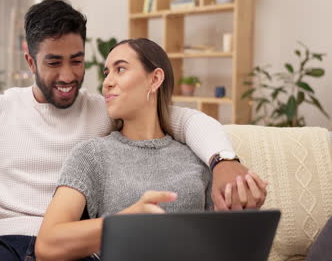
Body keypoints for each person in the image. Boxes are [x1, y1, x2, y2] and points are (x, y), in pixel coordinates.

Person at [0, 0, 266, 261]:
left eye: (77, 61)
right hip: (3, 246)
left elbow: (179, 119)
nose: (68, 76)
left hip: (77, 250)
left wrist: (223, 160)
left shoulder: (103, 109)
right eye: (54, 62)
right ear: (30, 60)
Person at [35, 38, 267, 261]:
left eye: (121, 69)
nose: (107, 82)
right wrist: (127, 222)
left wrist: (244, 207)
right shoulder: (92, 154)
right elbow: (47, 245)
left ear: (155, 79)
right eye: (107, 73)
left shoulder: (195, 158)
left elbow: (222, 244)